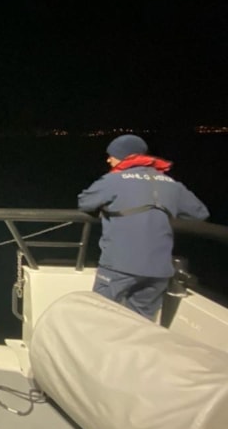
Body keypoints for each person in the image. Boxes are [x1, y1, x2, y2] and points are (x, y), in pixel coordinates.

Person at [77, 134, 209, 320]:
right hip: (158, 271)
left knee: (99, 318)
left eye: (111, 155)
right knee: (140, 324)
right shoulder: (172, 183)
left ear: (124, 157)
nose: (108, 160)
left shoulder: (113, 180)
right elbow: (199, 214)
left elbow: (84, 203)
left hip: (119, 265)